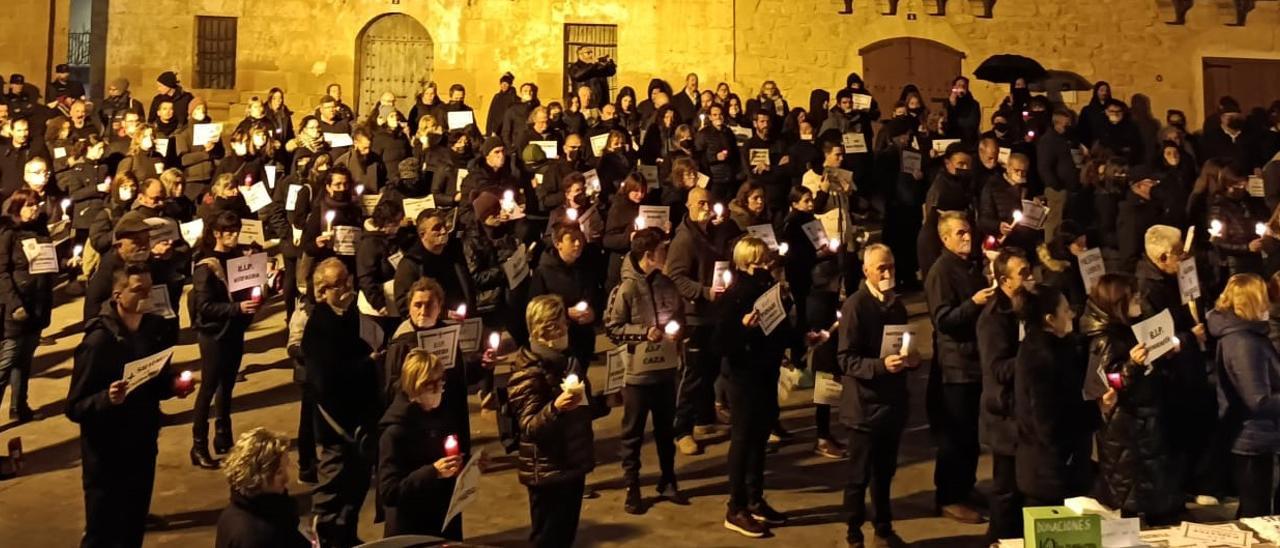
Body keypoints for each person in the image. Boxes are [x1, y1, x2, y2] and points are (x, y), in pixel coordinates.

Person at [67, 263, 194, 547]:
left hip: (142, 447)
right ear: (117, 295)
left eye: (150, 289)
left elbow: (152, 383)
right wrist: (106, 399)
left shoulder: (151, 332)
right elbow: (74, 407)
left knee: (133, 527)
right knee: (103, 534)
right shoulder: (98, 342)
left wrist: (172, 386)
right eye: (138, 290)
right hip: (107, 458)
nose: (147, 296)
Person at [604, 227, 689, 514]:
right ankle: (632, 485)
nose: (666, 254)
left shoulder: (667, 283)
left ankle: (668, 478)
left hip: (665, 370)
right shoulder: (626, 288)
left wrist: (678, 332)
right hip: (637, 376)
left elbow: (679, 315)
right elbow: (613, 329)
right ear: (649, 255)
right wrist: (643, 333)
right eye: (662, 250)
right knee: (633, 432)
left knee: (666, 429)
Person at [1084, 274, 1182, 523]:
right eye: (1133, 296)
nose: (1139, 299)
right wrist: (1133, 365)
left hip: (1144, 421)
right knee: (1130, 493)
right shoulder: (1105, 338)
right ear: (1120, 301)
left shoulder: (1128, 329)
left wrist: (1162, 354)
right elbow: (1110, 381)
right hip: (1126, 428)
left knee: (1152, 488)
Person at [837, 243, 916, 548]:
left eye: (891, 266)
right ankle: (853, 529)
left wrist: (911, 359)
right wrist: (881, 366)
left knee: (885, 472)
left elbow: (902, 344)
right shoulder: (856, 306)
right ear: (866, 270)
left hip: (891, 405)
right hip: (863, 408)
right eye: (881, 267)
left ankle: (883, 527)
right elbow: (845, 358)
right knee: (859, 475)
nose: (887, 272)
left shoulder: (896, 305)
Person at [715, 236, 792, 538]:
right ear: (745, 264)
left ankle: (755, 498)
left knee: (760, 438)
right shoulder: (734, 294)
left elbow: (778, 326)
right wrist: (742, 329)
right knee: (744, 439)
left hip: (765, 372)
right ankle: (736, 507)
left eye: (765, 260)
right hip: (744, 377)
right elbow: (720, 342)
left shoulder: (767, 288)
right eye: (758, 261)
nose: (765, 266)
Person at [507, 294, 595, 548]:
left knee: (566, 536)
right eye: (560, 325)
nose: (566, 329)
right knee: (547, 539)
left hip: (571, 464)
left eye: (565, 324)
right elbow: (529, 426)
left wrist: (603, 403)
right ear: (543, 330)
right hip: (547, 470)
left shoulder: (567, 362)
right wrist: (554, 409)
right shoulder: (528, 372)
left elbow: (580, 408)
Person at [303, 258, 380, 547]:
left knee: (357, 485)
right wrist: (366, 363)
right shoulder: (318, 328)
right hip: (337, 426)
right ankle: (326, 536)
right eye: (340, 284)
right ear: (322, 292)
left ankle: (347, 534)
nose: (348, 288)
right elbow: (324, 381)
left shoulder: (349, 314)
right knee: (333, 487)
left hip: (360, 419)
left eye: (348, 280)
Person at [923, 212, 991, 524]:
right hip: (956, 367)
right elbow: (943, 320)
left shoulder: (970, 266)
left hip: (975, 361)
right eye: (960, 233)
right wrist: (974, 303)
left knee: (970, 434)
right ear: (945, 238)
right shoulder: (941, 273)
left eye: (969, 232)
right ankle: (948, 496)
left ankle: (965, 486)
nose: (968, 237)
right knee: (954, 435)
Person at [667, 187, 742, 455]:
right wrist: (703, 292)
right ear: (688, 205)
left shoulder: (717, 230)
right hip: (695, 316)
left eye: (709, 203)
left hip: (715, 313)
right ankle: (681, 430)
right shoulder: (684, 239)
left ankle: (703, 419)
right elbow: (675, 275)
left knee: (710, 370)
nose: (706, 207)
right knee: (693, 375)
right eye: (700, 203)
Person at [189, 211, 260, 469]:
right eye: (228, 232)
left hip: (234, 330)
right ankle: (198, 446)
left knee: (227, 385)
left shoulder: (239, 257)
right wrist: (237, 309)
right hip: (213, 334)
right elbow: (205, 306)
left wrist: (260, 276)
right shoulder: (206, 266)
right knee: (208, 387)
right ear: (217, 233)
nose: (234, 236)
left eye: (236, 231)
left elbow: (248, 290)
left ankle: (223, 436)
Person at [1015, 285, 1096, 506]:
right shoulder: (1042, 358)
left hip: (1057, 467)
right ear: (1050, 319)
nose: (1072, 314)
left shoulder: (1058, 346)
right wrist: (1097, 412)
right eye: (1066, 309)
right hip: (1051, 474)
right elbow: (1049, 424)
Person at [1209, 273, 1280, 517]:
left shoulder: (1249, 335)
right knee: (1257, 513)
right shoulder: (1243, 342)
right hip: (1255, 439)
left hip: (1260, 437)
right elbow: (1257, 399)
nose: (1268, 303)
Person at [378, 348, 468, 539]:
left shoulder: (441, 416)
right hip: (413, 530)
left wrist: (467, 465)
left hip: (443, 522)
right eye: (430, 384)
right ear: (414, 386)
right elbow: (389, 492)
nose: (439, 390)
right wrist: (433, 471)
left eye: (441, 382)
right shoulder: (395, 432)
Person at [975, 248, 1031, 541]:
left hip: (1025, 411)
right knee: (1006, 488)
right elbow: (997, 369)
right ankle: (998, 539)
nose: (1030, 277)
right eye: (1023, 273)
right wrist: (1033, 355)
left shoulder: (1027, 306)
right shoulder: (994, 318)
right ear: (1005, 280)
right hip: (1005, 415)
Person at [0, 188, 56, 422]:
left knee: (25, 360)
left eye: (37, 205)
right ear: (17, 208)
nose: (35, 209)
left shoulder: (41, 230)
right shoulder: (8, 234)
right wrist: (14, 304)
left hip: (38, 305)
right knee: (6, 363)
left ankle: (19, 406)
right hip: (17, 309)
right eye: (30, 205)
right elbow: (2, 273)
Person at [214, 428, 310, 548]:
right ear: (259, 477)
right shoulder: (257, 537)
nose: (287, 478)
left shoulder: (234, 513)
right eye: (279, 472)